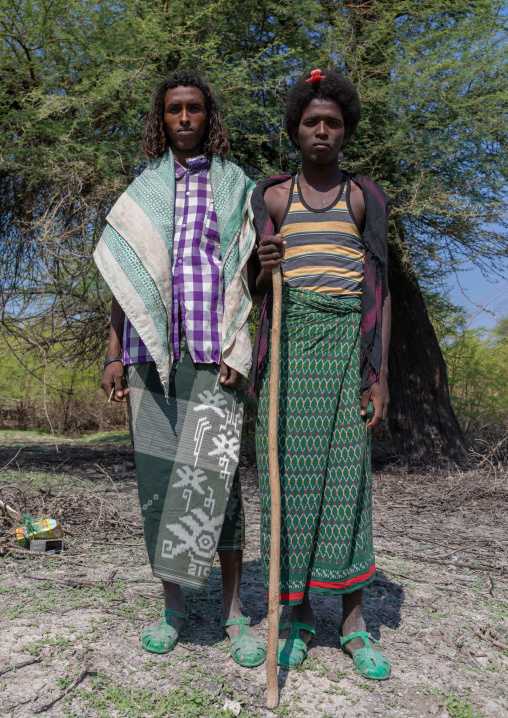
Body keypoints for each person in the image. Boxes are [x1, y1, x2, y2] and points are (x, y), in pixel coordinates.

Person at [94, 71, 265, 667]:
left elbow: (248, 278)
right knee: (161, 485)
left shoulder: (235, 184)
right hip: (149, 359)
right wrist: (115, 350)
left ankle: (233, 611)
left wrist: (241, 352)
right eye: (174, 110)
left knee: (218, 485)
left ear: (208, 115)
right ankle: (173, 609)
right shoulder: (142, 188)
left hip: (214, 356)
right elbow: (124, 278)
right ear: (160, 118)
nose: (185, 118)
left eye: (194, 108)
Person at [249, 68, 391, 679]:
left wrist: (377, 375)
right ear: (295, 130)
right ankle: (298, 616)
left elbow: (378, 291)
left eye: (333, 123)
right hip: (286, 359)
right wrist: (264, 260)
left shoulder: (364, 198)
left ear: (346, 130)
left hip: (343, 356)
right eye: (312, 122)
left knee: (348, 486)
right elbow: (256, 290)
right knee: (290, 488)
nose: (323, 132)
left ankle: (355, 625)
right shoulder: (274, 196)